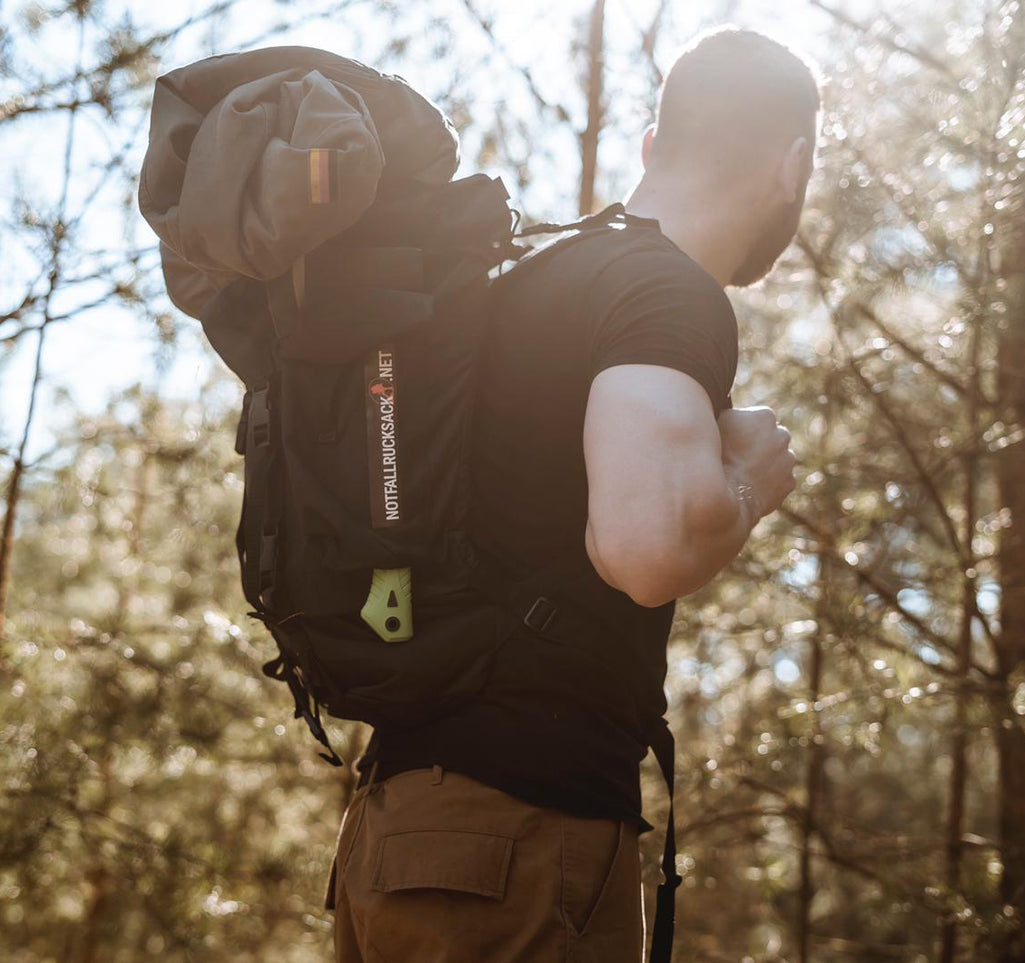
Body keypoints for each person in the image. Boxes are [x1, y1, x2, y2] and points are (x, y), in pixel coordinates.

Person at [326, 26, 820, 963]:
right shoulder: (663, 293)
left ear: (647, 145)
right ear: (790, 166)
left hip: (396, 834)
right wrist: (751, 479)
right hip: (512, 845)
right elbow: (642, 547)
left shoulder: (522, 280)